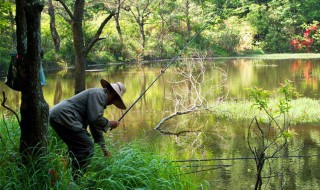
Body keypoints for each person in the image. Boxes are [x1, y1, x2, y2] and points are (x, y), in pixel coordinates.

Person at [49, 79, 126, 180]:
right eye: (115, 101)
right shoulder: (98, 95)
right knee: (86, 146)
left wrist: (103, 149)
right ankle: (77, 179)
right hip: (65, 116)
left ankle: (67, 177)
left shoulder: (99, 97)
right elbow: (95, 118)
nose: (112, 104)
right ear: (112, 95)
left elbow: (95, 125)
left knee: (76, 147)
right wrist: (109, 124)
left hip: (58, 116)